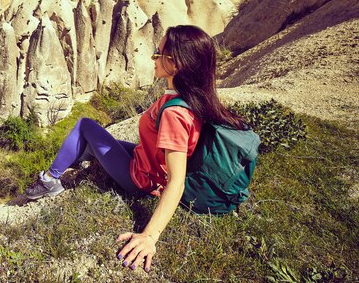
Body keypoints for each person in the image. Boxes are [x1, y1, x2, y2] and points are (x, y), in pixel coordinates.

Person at [25, 25, 247, 273]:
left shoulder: (176, 113)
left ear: (176, 64)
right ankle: (79, 160)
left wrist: (149, 236)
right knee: (92, 143)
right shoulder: (185, 97)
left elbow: (177, 181)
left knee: (84, 125)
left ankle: (50, 180)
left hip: (140, 178)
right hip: (146, 161)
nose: (153, 57)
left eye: (159, 52)